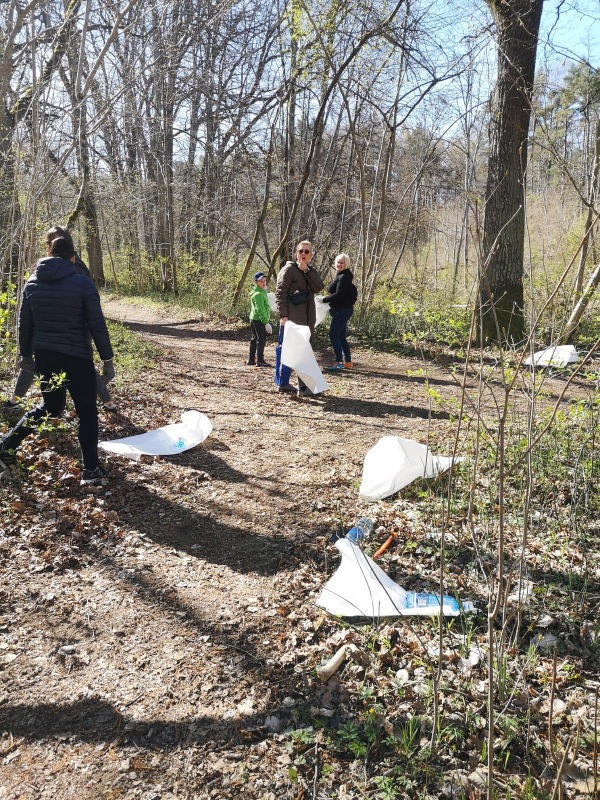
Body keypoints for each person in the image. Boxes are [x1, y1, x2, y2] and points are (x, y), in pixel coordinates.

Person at [0, 236, 115, 485]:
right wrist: (107, 359)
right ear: (72, 259)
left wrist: (25, 356)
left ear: (49, 255)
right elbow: (97, 325)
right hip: (77, 357)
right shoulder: (82, 283)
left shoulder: (32, 283)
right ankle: (91, 470)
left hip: (46, 357)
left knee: (51, 407)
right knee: (87, 413)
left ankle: (6, 446)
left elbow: (24, 325)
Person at [3, 226, 117, 413]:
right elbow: (27, 318)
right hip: (49, 329)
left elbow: (89, 310)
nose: (49, 245)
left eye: (51, 241)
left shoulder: (76, 267)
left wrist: (107, 358)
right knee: (41, 373)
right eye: (49, 242)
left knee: (82, 372)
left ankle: (107, 400)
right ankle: (16, 398)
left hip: (74, 330)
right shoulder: (46, 270)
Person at [275, 240, 324, 397]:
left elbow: (318, 287)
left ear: (311, 255)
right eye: (301, 251)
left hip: (307, 320)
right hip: (292, 320)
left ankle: (303, 387)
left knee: (303, 353)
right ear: (296, 253)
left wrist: (307, 271)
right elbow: (280, 293)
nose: (303, 254)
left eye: (306, 252)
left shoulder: (310, 271)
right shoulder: (289, 270)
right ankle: (287, 384)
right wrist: (283, 316)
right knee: (290, 352)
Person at [321, 252, 357, 371]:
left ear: (346, 264)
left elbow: (339, 294)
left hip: (342, 311)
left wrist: (324, 300)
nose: (339, 264)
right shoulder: (341, 275)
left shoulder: (344, 277)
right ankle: (348, 362)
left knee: (333, 335)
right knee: (341, 336)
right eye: (338, 262)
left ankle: (339, 362)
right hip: (343, 310)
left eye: (342, 263)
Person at [247, 271, 272, 367]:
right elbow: (260, 309)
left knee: (254, 338)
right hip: (258, 320)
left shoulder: (260, 292)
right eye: (261, 281)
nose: (264, 283)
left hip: (254, 318)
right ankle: (260, 360)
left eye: (265, 280)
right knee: (261, 339)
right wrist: (266, 322)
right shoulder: (258, 294)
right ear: (256, 282)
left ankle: (251, 360)